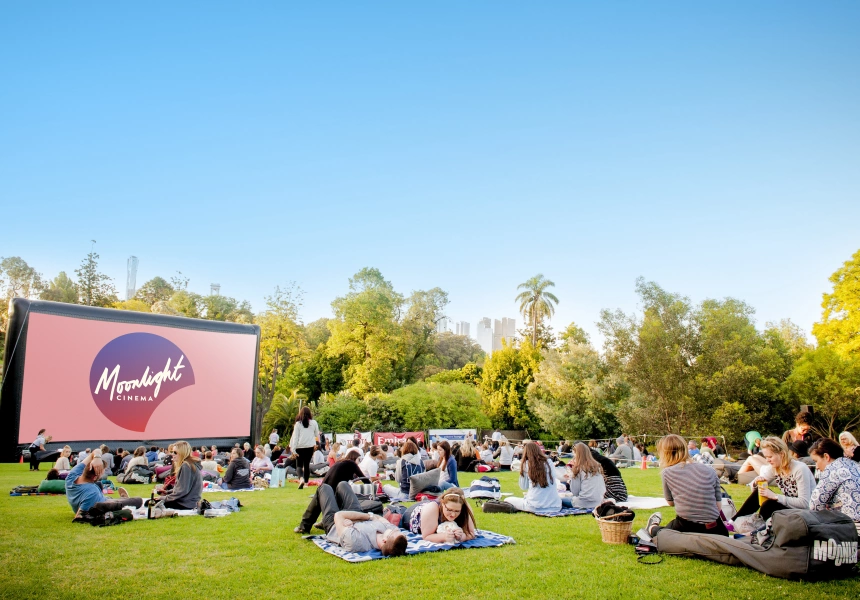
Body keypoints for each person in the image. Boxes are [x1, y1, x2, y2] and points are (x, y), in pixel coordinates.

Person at [645, 434, 728, 537]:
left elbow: (670, 502)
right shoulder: (710, 470)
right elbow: (718, 506)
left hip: (687, 526)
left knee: (661, 532)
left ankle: (652, 526)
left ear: (665, 454)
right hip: (716, 528)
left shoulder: (668, 472)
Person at [298, 481, 407, 556]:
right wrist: (368, 516)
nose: (395, 529)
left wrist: (367, 517)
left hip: (334, 524)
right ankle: (332, 508)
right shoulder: (390, 533)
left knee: (324, 488)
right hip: (358, 516)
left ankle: (304, 526)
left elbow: (339, 516)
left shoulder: (357, 541)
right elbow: (377, 517)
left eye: (393, 532)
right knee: (343, 485)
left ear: (384, 540)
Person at [732, 436, 815, 522]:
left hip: (804, 513)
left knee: (769, 504)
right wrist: (756, 483)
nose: (767, 460)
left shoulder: (800, 469)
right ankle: (733, 521)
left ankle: (761, 527)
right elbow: (755, 491)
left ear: (782, 454)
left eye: (770, 457)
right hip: (789, 508)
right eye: (766, 457)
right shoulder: (774, 467)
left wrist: (775, 496)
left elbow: (804, 503)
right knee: (760, 492)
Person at [294, 451, 369, 533]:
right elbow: (363, 477)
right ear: (354, 458)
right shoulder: (351, 464)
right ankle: (317, 523)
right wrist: (372, 485)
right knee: (342, 486)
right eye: (359, 459)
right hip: (333, 489)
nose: (359, 462)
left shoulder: (341, 463)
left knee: (327, 491)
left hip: (328, 487)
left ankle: (305, 526)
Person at [65, 451, 143, 517]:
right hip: (103, 506)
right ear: (95, 477)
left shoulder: (72, 476)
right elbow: (80, 515)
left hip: (99, 499)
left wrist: (97, 458)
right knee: (138, 501)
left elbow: (95, 451)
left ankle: (123, 498)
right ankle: (123, 499)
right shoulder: (91, 492)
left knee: (101, 487)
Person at [809, 438, 860, 535]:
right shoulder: (854, 465)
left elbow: (814, 506)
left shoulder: (833, 469)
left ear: (826, 456)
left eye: (816, 461)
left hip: (851, 527)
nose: (817, 466)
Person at [402, 487, 477, 542]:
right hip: (410, 515)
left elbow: (471, 534)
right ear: (442, 504)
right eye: (449, 510)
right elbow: (426, 536)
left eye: (457, 511)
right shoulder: (432, 509)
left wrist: (461, 536)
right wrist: (444, 537)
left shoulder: (466, 509)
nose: (453, 514)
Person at [504, 442, 561, 513]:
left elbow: (523, 486)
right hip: (555, 506)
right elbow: (553, 477)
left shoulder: (526, 464)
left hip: (534, 506)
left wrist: (522, 471)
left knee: (507, 499)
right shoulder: (549, 462)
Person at [156, 441, 202, 510]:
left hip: (186, 503)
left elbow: (182, 490)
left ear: (182, 453)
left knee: (151, 503)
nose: (172, 454)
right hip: (190, 502)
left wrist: (165, 498)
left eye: (175, 452)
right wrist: (167, 492)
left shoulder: (186, 466)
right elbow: (182, 488)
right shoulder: (189, 464)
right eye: (172, 452)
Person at [562, 443, 606, 510]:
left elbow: (575, 492)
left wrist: (572, 479)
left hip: (583, 502)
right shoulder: (598, 467)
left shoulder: (578, 468)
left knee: (559, 499)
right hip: (598, 501)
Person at [289, 406, 320, 489]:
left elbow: (295, 437)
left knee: (299, 465)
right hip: (310, 446)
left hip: (299, 447)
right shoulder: (314, 423)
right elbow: (317, 434)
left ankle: (301, 479)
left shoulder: (298, 424)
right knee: (307, 465)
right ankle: (306, 483)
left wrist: (293, 449)